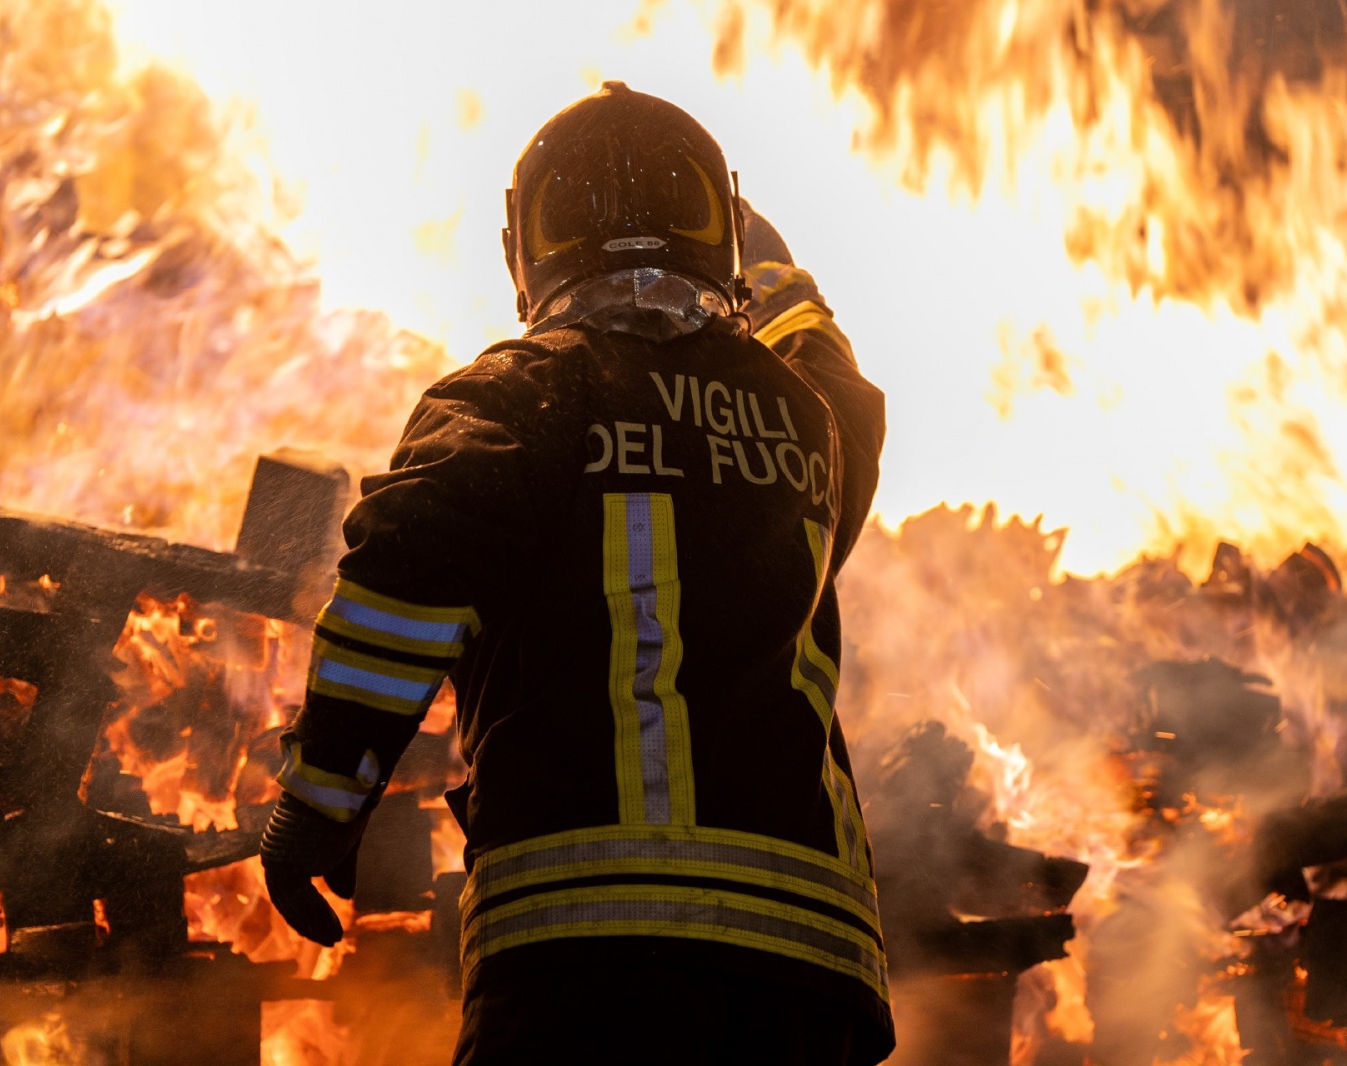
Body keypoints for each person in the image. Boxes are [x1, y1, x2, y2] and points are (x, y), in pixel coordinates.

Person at [258, 81, 892, 1065]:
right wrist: (771, 261)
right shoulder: (811, 421)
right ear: (720, 232)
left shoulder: (521, 393)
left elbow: (399, 585)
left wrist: (321, 804)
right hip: (812, 971)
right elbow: (832, 366)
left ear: (529, 250)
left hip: (588, 955)